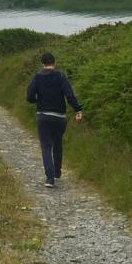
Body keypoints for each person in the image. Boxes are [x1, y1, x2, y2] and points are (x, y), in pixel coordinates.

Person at [26, 52, 83, 188]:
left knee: (46, 146)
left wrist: (37, 100)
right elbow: (70, 95)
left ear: (42, 63)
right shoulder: (61, 76)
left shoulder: (38, 77)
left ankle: (50, 178)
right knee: (57, 143)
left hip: (43, 116)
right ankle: (57, 171)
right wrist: (78, 110)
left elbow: (29, 96)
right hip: (59, 117)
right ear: (54, 62)